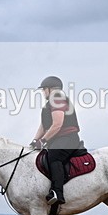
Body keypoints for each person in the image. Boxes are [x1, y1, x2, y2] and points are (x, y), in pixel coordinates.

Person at [30, 76, 83, 205]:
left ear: (50, 89)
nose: (43, 93)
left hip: (68, 138)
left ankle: (57, 193)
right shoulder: (49, 104)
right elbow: (43, 126)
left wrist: (43, 141)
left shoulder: (57, 99)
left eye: (44, 90)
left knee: (54, 156)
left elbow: (57, 124)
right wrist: (34, 140)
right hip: (58, 139)